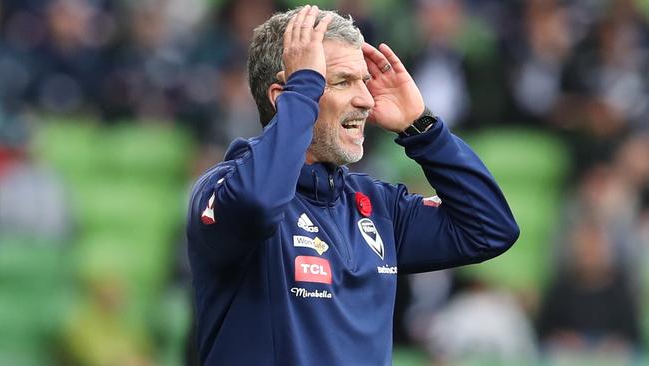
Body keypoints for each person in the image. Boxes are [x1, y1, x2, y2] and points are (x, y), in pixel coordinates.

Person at [186, 5, 519, 365]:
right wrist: (302, 96)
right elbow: (259, 203)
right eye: (342, 82)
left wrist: (422, 128)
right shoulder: (222, 190)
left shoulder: (377, 206)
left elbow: (490, 229)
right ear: (286, 97)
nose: (366, 99)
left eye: (364, 81)